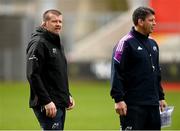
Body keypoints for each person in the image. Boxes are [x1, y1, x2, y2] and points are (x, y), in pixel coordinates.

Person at [110, 6, 167, 130]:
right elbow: (116, 72)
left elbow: (156, 72)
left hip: (153, 105)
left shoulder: (153, 43)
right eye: (151, 20)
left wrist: (161, 97)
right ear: (140, 22)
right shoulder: (125, 43)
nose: (154, 23)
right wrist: (118, 99)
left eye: (154, 20)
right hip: (133, 105)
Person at [26, 9, 75, 130]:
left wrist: (67, 95)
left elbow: (57, 74)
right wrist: (46, 101)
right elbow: (33, 75)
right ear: (44, 23)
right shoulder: (38, 43)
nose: (58, 24)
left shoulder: (56, 42)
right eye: (54, 21)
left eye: (60, 21)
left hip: (59, 101)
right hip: (48, 104)